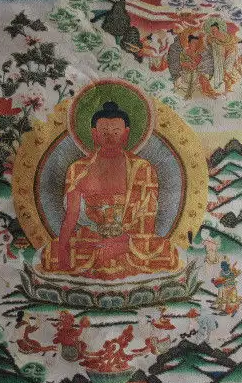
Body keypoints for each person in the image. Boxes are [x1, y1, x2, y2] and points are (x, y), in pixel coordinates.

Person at [39, 101, 180, 280]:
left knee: (167, 251)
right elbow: (71, 215)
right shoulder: (78, 169)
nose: (110, 138)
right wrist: (62, 248)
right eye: (104, 133)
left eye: (116, 132)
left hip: (129, 241)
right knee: (50, 253)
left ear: (126, 134)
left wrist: (122, 244)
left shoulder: (142, 169)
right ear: (94, 134)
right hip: (93, 238)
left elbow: (147, 218)